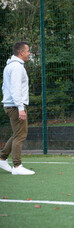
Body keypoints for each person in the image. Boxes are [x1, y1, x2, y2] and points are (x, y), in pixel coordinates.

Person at [0, 41, 35, 175]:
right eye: (28, 51)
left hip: (11, 105)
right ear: (21, 52)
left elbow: (5, 87)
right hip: (15, 106)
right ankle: (17, 166)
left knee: (17, 134)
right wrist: (20, 108)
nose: (29, 53)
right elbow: (15, 89)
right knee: (20, 135)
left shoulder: (11, 66)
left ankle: (2, 158)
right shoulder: (17, 67)